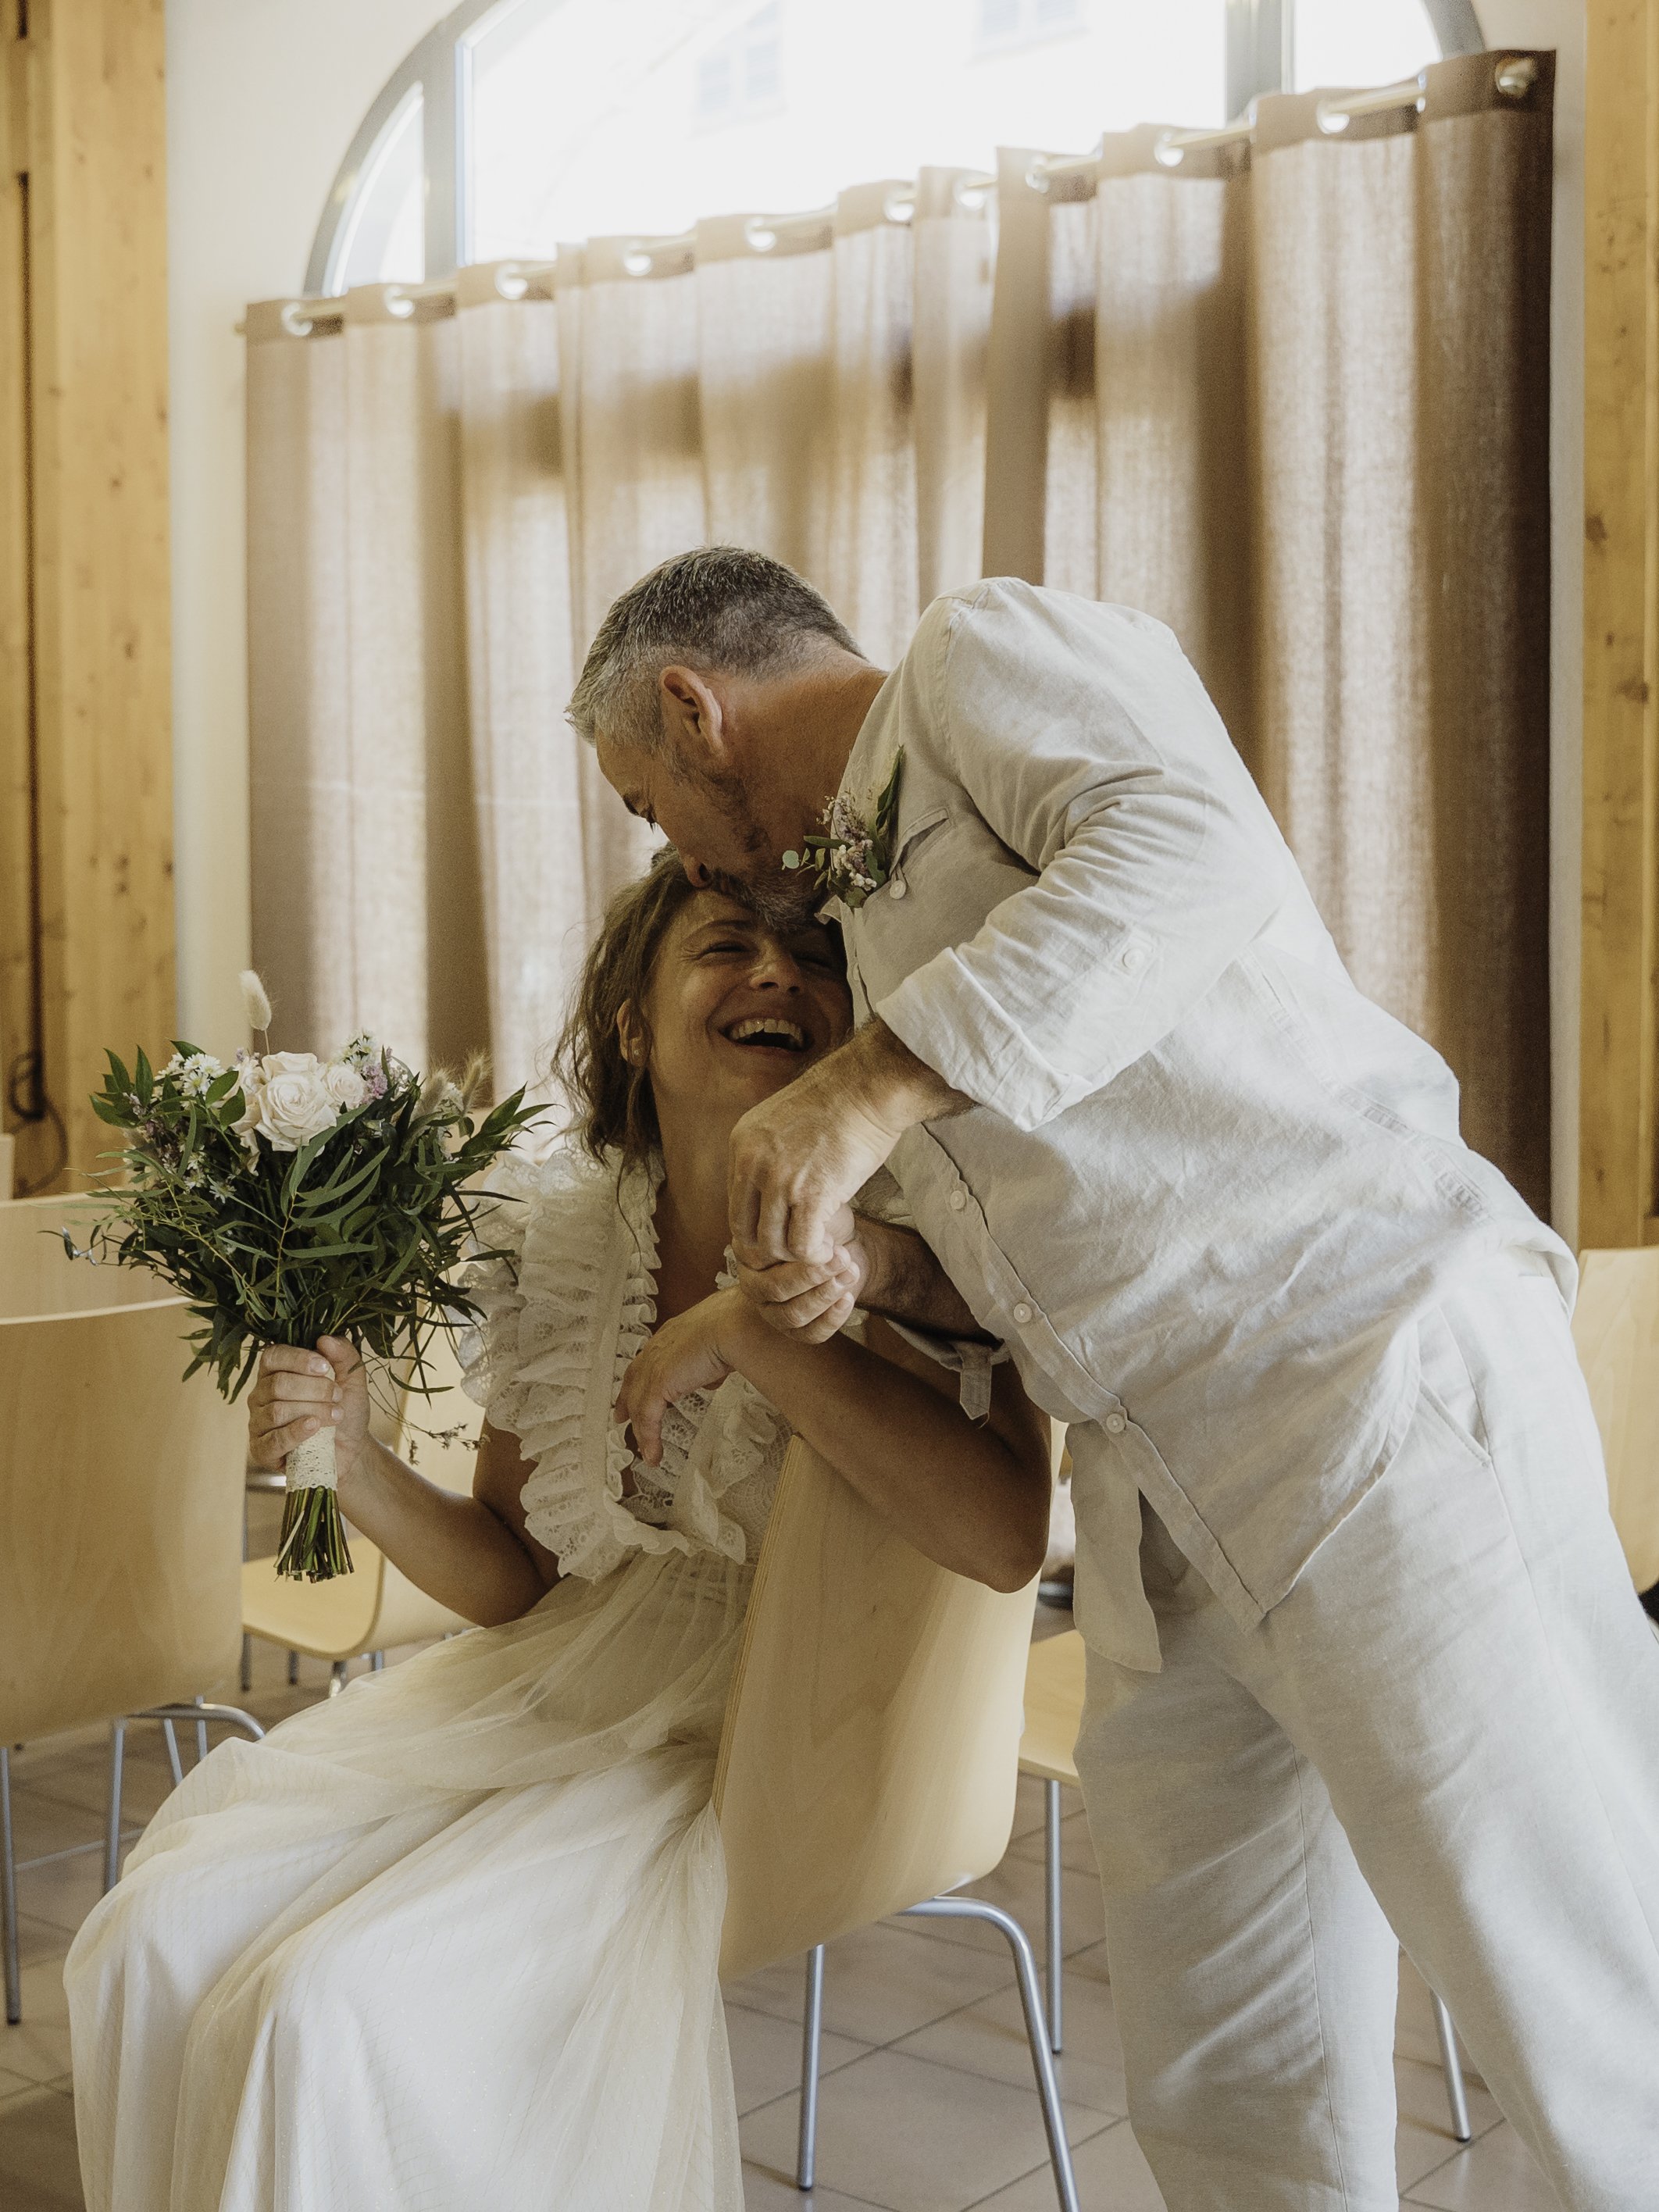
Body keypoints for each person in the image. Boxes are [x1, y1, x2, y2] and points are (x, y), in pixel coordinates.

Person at [576, 544, 1659, 2212]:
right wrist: (865, 1269)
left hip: (1361, 1386)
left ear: (691, 709)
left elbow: (1190, 851)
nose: (671, 848)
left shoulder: (975, 662)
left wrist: (867, 1091)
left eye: (651, 806)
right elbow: (1040, 1238)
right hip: (1162, 1505)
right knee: (1231, 2065)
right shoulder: (863, 927)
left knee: (1577, 1986)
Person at [64, 855, 1051, 2212]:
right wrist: (350, 1463)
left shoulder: (904, 1235)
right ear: (633, 1024)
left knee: (327, 2007)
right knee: (149, 1937)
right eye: (725, 948)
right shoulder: (566, 1238)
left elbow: (1007, 1538)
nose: (776, 973)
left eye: (813, 958)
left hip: (787, 1739)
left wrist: (759, 1339)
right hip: (563, 1684)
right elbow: (518, 1577)